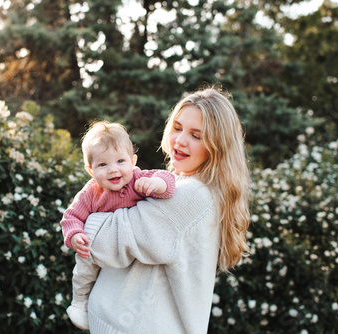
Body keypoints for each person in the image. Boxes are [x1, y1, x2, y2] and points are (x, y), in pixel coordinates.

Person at [81, 87, 250, 333]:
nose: (180, 141)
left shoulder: (192, 195)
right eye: (178, 128)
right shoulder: (191, 188)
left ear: (218, 146)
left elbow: (101, 244)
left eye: (196, 135)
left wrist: (87, 217)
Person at [60, 120, 176, 330]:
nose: (113, 170)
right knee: (83, 269)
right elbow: (71, 217)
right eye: (103, 165)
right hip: (95, 248)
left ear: (133, 162)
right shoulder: (91, 192)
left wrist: (157, 184)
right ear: (90, 169)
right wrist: (75, 235)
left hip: (130, 250)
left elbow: (168, 180)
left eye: (120, 161)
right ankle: (79, 302)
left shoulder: (138, 180)